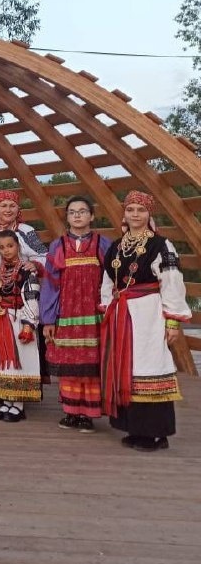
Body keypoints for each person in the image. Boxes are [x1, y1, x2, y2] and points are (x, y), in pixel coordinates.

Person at [99, 191, 190, 452]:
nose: (135, 214)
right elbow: (108, 280)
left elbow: (172, 281)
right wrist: (107, 307)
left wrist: (172, 321)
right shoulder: (117, 246)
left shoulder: (161, 245)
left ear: (149, 213)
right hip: (121, 313)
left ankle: (157, 435)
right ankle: (135, 429)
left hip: (149, 313)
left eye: (141, 209)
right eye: (131, 209)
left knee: (149, 366)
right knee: (126, 367)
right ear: (124, 213)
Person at [40, 197, 111, 432]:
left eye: (82, 211)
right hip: (66, 314)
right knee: (68, 363)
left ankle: (88, 414)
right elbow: (51, 285)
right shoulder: (58, 245)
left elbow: (113, 280)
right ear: (67, 217)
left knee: (91, 365)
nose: (77, 215)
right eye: (72, 212)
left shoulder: (103, 244)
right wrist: (48, 319)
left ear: (92, 216)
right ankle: (70, 411)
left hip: (94, 315)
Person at [0, 231, 42, 423]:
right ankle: (6, 400)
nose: (6, 250)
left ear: (18, 246)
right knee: (1, 359)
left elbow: (31, 298)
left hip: (19, 320)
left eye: (10, 246)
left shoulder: (27, 271)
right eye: (2, 247)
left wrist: (29, 324)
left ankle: (18, 404)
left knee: (20, 359)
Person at [0, 190, 47, 286]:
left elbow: (43, 256)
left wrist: (35, 264)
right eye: (3, 206)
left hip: (22, 285)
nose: (8, 210)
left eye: (12, 206)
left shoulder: (26, 231)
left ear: (18, 209)